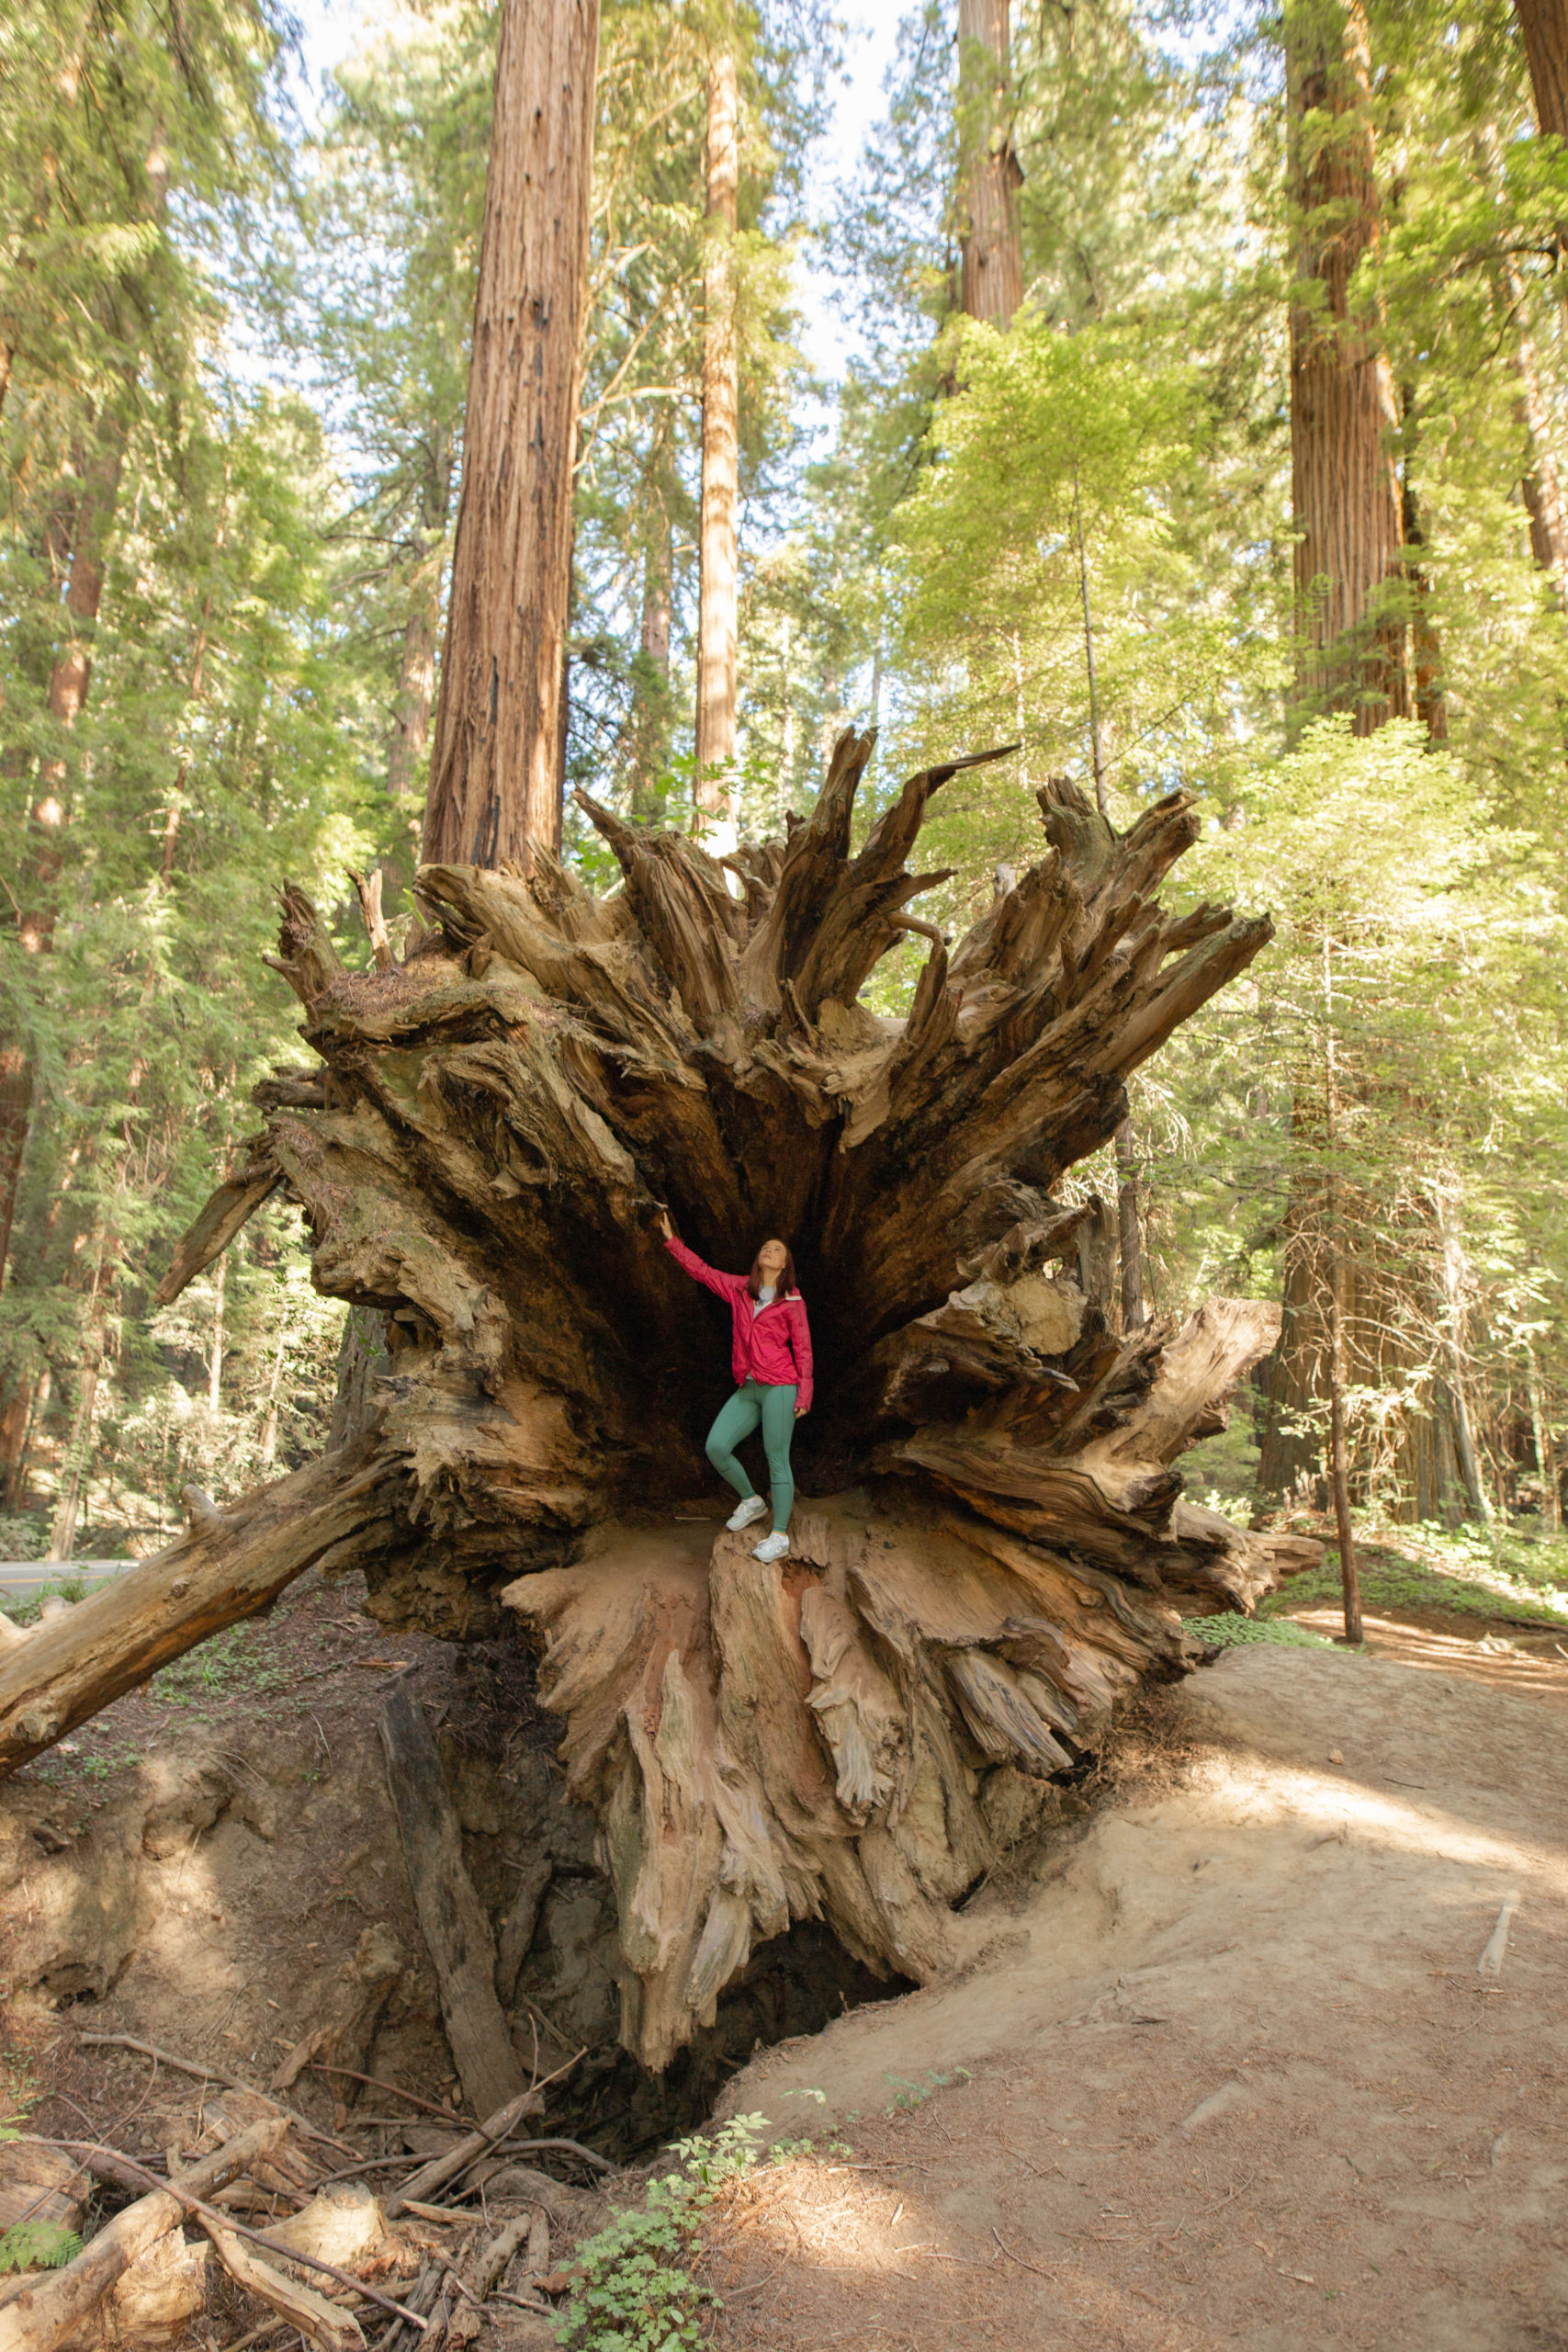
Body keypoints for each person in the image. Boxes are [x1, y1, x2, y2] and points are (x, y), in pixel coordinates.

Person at [656, 1210, 811, 1565]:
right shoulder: (741, 1289)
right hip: (749, 1385)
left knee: (777, 1458)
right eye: (766, 1247)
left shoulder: (792, 1301)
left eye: (777, 1249)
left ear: (785, 1264)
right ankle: (752, 1501)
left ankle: (780, 1535)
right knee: (716, 1446)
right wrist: (671, 1241)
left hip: (781, 1387)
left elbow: (803, 1350)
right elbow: (703, 1272)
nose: (769, 1250)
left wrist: (805, 1393)